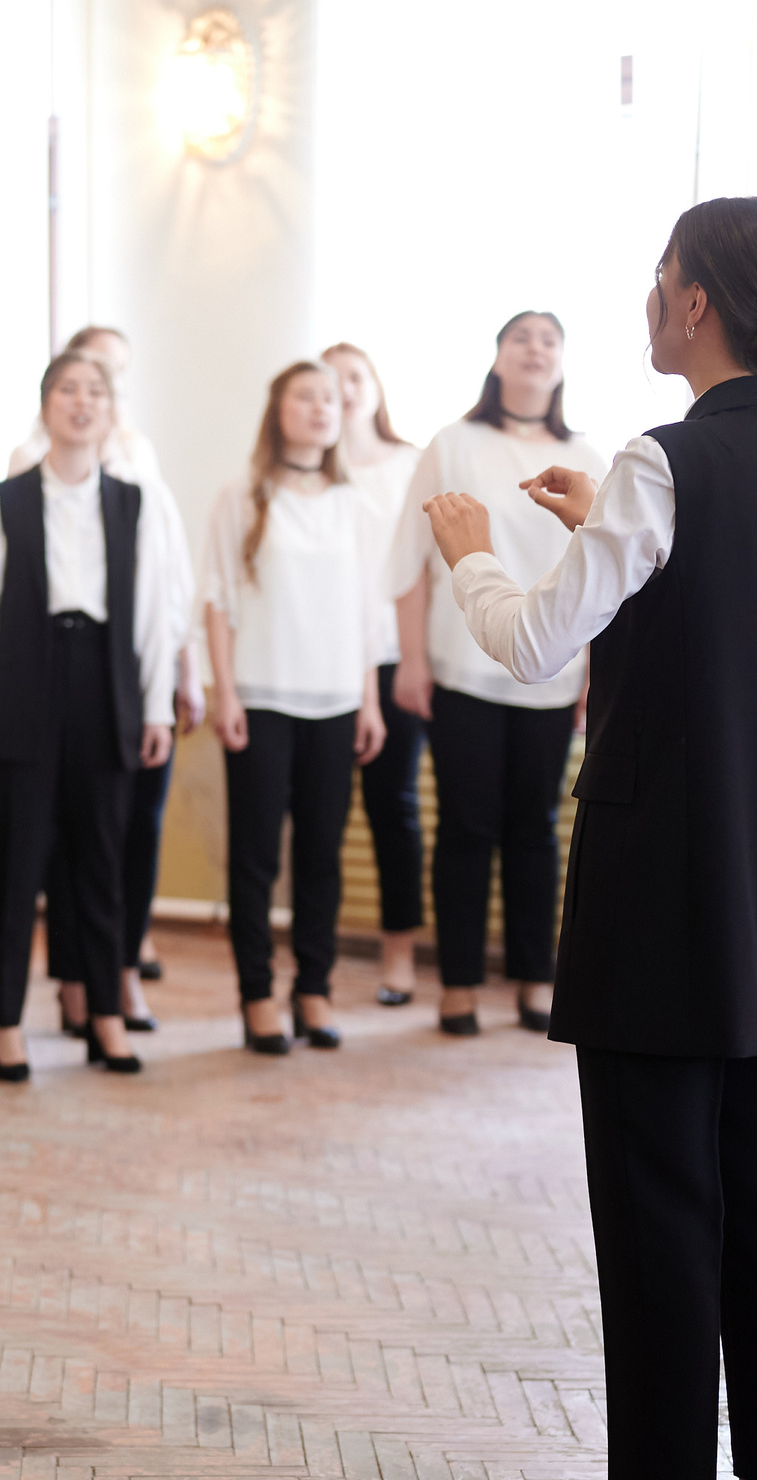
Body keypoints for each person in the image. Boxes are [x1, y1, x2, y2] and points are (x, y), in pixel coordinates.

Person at [427, 197, 757, 1480]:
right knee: (755, 1184)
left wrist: (471, 546)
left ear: (694, 304)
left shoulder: (664, 460)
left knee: (657, 1200)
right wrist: (599, 523)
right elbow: (722, 627)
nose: (649, 296)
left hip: (654, 880)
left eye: (659, 276)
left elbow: (531, 642)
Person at [0, 349, 184, 1080]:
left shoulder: (135, 502)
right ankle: (7, 1024)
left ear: (111, 411)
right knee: (15, 862)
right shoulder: (6, 498)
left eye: (95, 392)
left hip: (106, 685)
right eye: (67, 390)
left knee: (102, 860)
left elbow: (154, 612)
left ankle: (106, 1017)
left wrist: (156, 707)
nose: (81, 402)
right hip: (25, 682)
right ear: (45, 404)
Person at [393, 313, 610, 1036]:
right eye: (522, 338)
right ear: (497, 358)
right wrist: (412, 660)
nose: (535, 349)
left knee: (537, 832)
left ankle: (532, 978)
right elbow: (410, 559)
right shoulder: (453, 443)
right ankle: (457, 984)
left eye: (550, 340)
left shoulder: (584, 456)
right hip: (461, 671)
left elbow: (603, 578)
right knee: (465, 828)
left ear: (562, 364)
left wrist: (593, 677)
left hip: (552, 678)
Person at [9, 326, 203, 1032]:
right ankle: (76, 982)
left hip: (143, 672)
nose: (92, 395)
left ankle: (121, 970)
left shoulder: (141, 464)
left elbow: (170, 583)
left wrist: (187, 669)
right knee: (73, 839)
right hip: (69, 672)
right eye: (80, 378)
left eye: (108, 378)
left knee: (134, 831)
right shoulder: (31, 465)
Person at [202, 361, 385, 1054]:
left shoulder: (354, 504)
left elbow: (368, 616)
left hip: (336, 700)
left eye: (330, 399)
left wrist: (369, 702)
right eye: (305, 397)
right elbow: (217, 601)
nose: (320, 408)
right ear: (278, 411)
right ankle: (256, 995)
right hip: (262, 697)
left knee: (321, 856)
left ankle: (314, 989)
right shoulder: (242, 496)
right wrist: (225, 691)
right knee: (255, 857)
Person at [321, 341, 426, 1004]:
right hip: (324, 663)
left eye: (356, 376)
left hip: (393, 657)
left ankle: (399, 954)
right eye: (331, 380)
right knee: (323, 816)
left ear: (376, 387)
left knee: (394, 807)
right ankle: (317, 959)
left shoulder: (410, 464)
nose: (345, 389)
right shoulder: (310, 470)